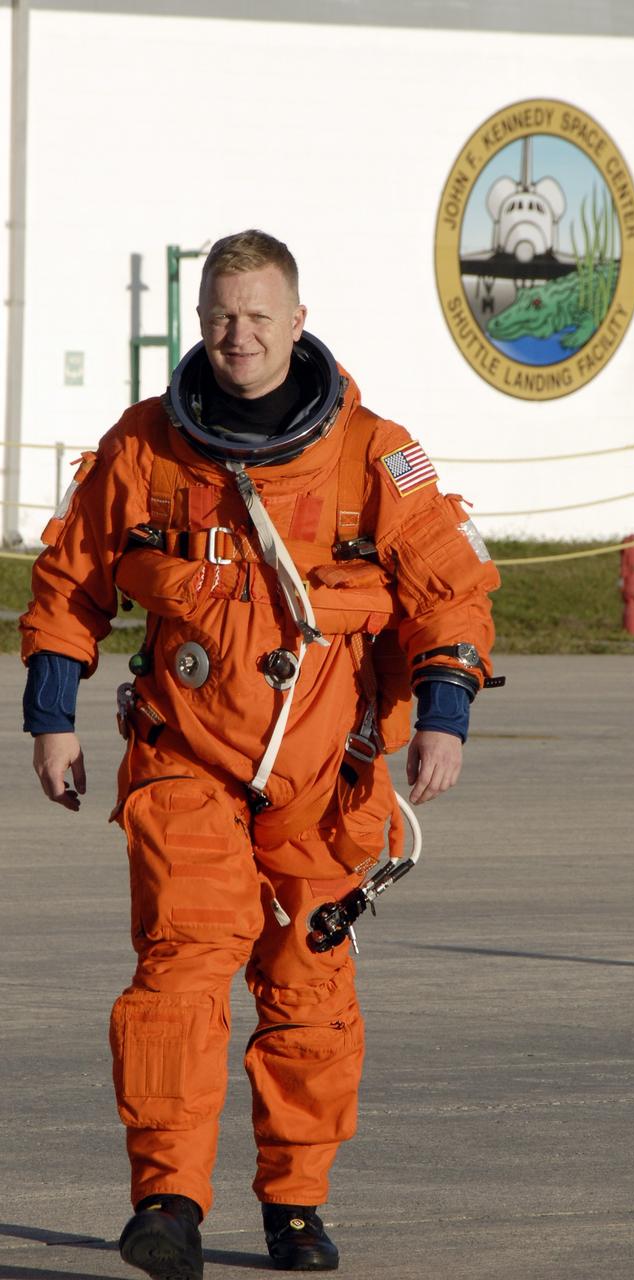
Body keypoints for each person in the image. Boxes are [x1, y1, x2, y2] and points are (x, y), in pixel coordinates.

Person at [20, 230, 499, 1278]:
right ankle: (168, 1200)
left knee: (309, 993)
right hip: (185, 761)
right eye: (220, 315)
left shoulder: (372, 454)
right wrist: (51, 714)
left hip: (326, 781)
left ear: (296, 320)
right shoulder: (145, 450)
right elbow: (70, 581)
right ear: (199, 322)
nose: (237, 334)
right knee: (180, 971)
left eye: (257, 315)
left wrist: (444, 715)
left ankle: (294, 1201)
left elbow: (448, 592)